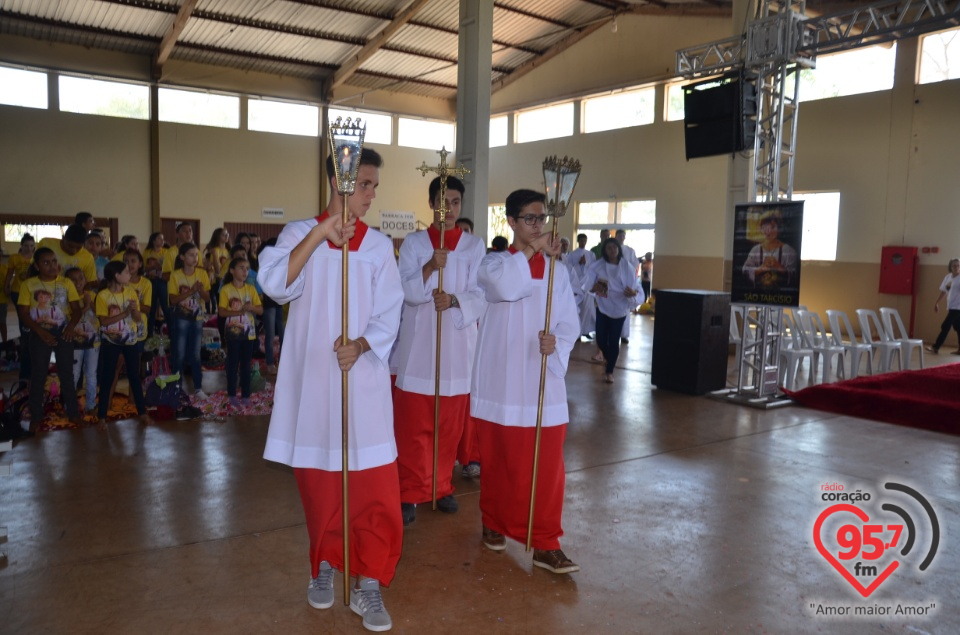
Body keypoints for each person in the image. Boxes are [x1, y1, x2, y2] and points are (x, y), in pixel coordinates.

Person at [258, 147, 403, 631]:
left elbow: (390, 311)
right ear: (339, 183)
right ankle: (324, 566)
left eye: (373, 186)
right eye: (364, 185)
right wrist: (323, 231)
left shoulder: (380, 247)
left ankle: (367, 583)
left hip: (361, 383)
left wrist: (362, 343)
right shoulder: (299, 234)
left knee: (374, 488)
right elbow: (276, 283)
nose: (371, 195)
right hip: (316, 386)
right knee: (321, 485)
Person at [472, 188, 580, 574]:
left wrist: (558, 341)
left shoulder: (558, 272)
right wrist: (535, 250)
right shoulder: (494, 265)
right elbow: (506, 289)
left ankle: (546, 543)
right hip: (502, 380)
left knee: (548, 467)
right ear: (512, 223)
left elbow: (570, 322)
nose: (538, 226)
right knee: (500, 461)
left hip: (542, 380)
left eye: (542, 219)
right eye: (530, 219)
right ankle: (493, 522)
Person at [392, 175, 485, 526]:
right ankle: (409, 492)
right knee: (414, 425)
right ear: (431, 204)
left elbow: (481, 294)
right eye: (443, 202)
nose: (449, 209)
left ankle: (441, 485)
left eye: (456, 202)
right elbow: (405, 290)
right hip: (420, 348)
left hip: (457, 350)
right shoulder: (414, 244)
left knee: (448, 426)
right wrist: (431, 265)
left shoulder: (474, 247)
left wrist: (456, 299)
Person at [17, 248, 83, 431]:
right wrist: (39, 331)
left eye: (54, 261)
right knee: (38, 373)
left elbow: (76, 310)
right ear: (37, 266)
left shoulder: (66, 283)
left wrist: (70, 328)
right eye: (46, 262)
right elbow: (23, 313)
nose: (52, 265)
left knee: (66, 374)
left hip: (64, 333)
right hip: (39, 334)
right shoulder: (28, 285)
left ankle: (73, 413)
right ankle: (36, 415)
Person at [95, 261, 149, 426]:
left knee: (134, 376)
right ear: (117, 276)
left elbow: (138, 319)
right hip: (111, 341)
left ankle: (142, 413)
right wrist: (124, 313)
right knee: (108, 376)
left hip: (130, 340)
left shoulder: (131, 292)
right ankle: (102, 416)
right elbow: (103, 322)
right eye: (126, 272)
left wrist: (134, 312)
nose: (129, 274)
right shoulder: (103, 296)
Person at [584, 238, 643, 383]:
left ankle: (609, 371)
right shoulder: (598, 266)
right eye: (609, 248)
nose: (612, 250)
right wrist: (594, 288)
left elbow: (634, 287)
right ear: (605, 250)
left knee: (614, 339)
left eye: (614, 247)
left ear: (618, 249)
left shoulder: (626, 266)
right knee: (601, 339)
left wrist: (632, 294)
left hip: (619, 308)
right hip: (603, 306)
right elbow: (588, 283)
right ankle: (609, 359)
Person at [168, 242, 211, 401]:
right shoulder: (175, 275)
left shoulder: (202, 274)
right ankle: (176, 388)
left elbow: (207, 298)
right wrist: (191, 291)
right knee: (179, 354)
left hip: (197, 318)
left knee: (196, 354)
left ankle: (198, 388)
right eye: (191, 255)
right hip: (181, 318)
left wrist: (200, 291)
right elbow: (173, 300)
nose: (195, 258)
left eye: (196, 255)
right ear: (182, 257)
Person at [218, 257, 262, 408]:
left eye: (247, 268)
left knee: (245, 365)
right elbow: (222, 312)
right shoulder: (226, 290)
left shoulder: (251, 289)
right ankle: (231, 394)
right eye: (241, 268)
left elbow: (261, 309)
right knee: (232, 363)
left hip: (248, 333)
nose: (245, 271)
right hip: (232, 333)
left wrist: (251, 309)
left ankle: (245, 395)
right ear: (232, 270)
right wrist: (237, 311)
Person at [65, 267, 99, 415]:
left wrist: (90, 303)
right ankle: (70, 406)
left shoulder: (91, 295)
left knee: (91, 373)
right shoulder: (67, 297)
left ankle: (90, 405)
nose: (77, 282)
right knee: (74, 373)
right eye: (73, 279)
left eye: (80, 278)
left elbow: (100, 313)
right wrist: (85, 306)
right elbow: (72, 316)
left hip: (93, 341)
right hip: (75, 342)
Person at [742, 211, 798, 290]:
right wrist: (761, 268)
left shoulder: (789, 251)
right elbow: (745, 270)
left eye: (772, 227)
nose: (769, 231)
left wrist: (778, 266)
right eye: (765, 227)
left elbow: (795, 275)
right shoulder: (755, 250)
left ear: (779, 228)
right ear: (761, 229)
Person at [6, 234, 36, 379]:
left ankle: (28, 334)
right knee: (23, 318)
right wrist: (7, 285)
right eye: (26, 246)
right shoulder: (14, 258)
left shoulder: (35, 259)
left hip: (31, 293)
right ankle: (24, 335)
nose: (29, 248)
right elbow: (10, 274)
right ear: (21, 245)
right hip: (17, 292)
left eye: (31, 246)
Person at [39, 224, 97, 292]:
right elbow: (33, 267)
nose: (73, 251)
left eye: (78, 248)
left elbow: (89, 282)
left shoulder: (88, 257)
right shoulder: (46, 244)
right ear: (63, 238)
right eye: (70, 246)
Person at [257, 238, 284, 374]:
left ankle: (283, 362)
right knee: (270, 334)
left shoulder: (282, 261)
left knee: (284, 334)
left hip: (281, 301)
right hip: (269, 303)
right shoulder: (265, 263)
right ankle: (269, 363)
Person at [925, 258, 960, 355]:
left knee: (945, 326)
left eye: (958, 265)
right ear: (950, 267)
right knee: (958, 327)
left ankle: (936, 347)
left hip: (958, 307)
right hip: (951, 306)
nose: (956, 267)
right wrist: (937, 302)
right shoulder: (948, 277)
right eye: (954, 266)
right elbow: (944, 291)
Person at [614, 230, 640, 344]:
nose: (621, 237)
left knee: (625, 310)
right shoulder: (612, 249)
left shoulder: (629, 250)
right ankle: (613, 334)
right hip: (615, 282)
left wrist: (626, 268)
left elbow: (635, 264)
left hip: (626, 283)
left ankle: (624, 335)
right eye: (619, 235)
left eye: (623, 235)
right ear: (616, 236)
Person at [144, 232, 171, 336]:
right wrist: (152, 267)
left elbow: (167, 268)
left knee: (166, 307)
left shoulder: (166, 252)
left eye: (163, 239)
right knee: (151, 309)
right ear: (153, 240)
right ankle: (149, 335)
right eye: (159, 239)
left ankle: (170, 334)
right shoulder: (147, 252)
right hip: (150, 281)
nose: (162, 241)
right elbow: (143, 267)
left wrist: (159, 266)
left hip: (163, 281)